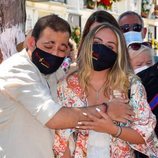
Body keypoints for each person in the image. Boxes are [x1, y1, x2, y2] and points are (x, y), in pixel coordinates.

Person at [0, 14, 132, 158]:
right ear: (32, 43)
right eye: (48, 46)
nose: (54, 53)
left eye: (62, 49)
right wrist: (106, 109)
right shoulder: (17, 70)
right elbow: (54, 118)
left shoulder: (53, 72)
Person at [53, 23, 158, 158]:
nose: (101, 49)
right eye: (97, 42)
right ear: (87, 45)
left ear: (118, 53)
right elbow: (61, 140)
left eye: (110, 46)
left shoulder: (131, 85)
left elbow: (145, 134)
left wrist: (113, 129)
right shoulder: (67, 86)